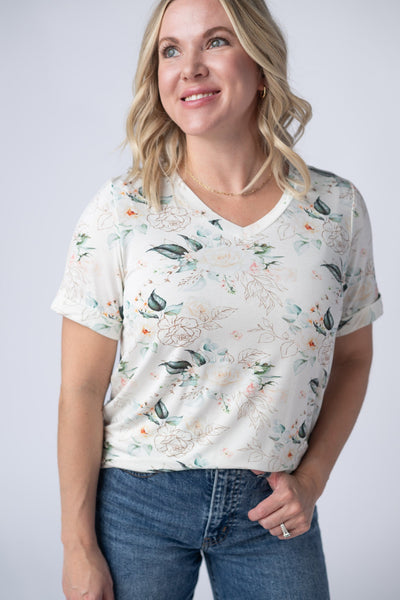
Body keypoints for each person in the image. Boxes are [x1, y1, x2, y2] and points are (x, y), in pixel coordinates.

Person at [51, 0, 383, 598]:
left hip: (272, 508)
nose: (190, 68)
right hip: (137, 502)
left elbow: (354, 358)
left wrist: (312, 478)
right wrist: (78, 547)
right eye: (170, 50)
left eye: (216, 42)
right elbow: (79, 389)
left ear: (260, 64)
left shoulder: (335, 210)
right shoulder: (122, 210)